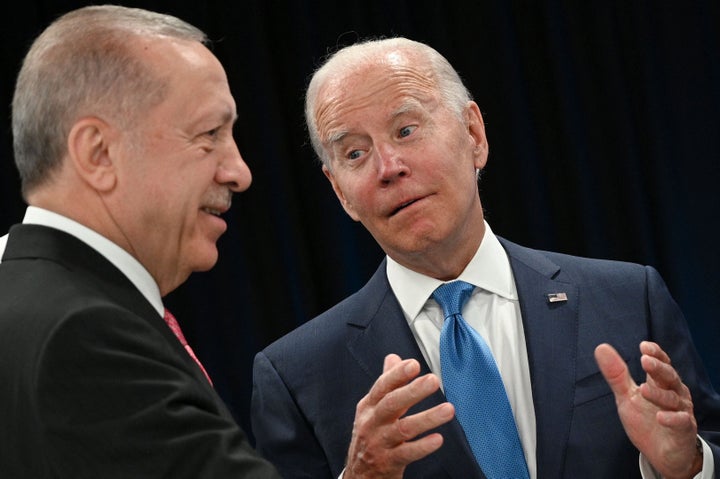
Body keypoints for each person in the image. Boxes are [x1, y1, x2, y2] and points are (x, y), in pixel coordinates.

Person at [0, 8, 453, 479]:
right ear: (98, 153)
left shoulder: (19, 298)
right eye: (209, 134)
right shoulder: (86, 335)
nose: (239, 172)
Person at [251, 37, 720, 479]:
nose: (388, 167)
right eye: (355, 153)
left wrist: (688, 466)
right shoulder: (296, 377)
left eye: (406, 129)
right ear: (340, 193)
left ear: (474, 134)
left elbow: (704, 443)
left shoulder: (627, 299)